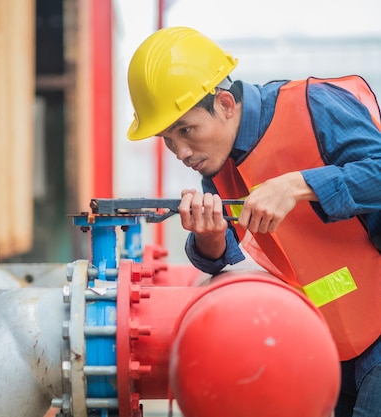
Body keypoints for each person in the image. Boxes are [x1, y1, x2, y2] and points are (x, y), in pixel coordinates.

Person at [126, 26, 381, 417]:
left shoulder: (314, 105)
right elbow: (225, 255)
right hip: (332, 345)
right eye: (167, 138)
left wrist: (298, 185)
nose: (180, 151)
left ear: (226, 104)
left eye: (186, 130)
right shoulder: (217, 167)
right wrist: (209, 238)